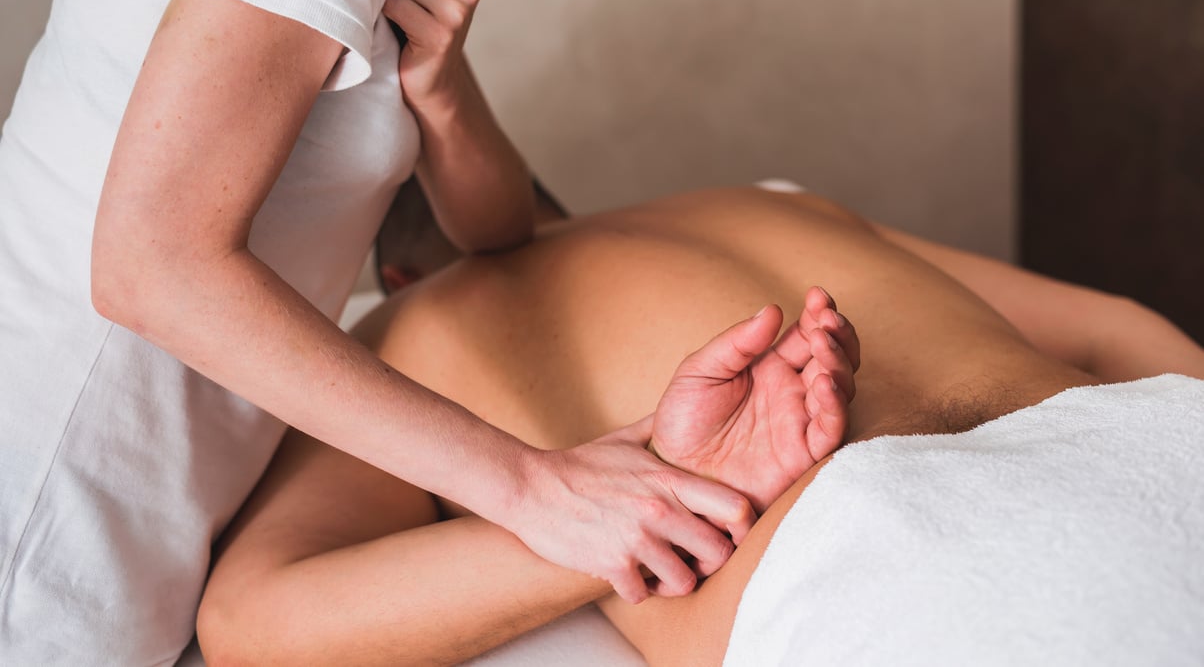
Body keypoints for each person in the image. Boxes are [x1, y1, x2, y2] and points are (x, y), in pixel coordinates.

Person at [0, 0, 755, 662]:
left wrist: (439, 82)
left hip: (118, 535)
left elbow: (497, 231)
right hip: (41, 519)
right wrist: (536, 491)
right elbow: (151, 267)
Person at [196, 182, 1204, 665]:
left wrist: (667, 508)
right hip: (1158, 448)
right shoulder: (760, 198)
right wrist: (638, 500)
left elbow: (254, 624)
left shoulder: (408, 326)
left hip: (915, 573)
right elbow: (1116, 327)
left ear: (391, 270)